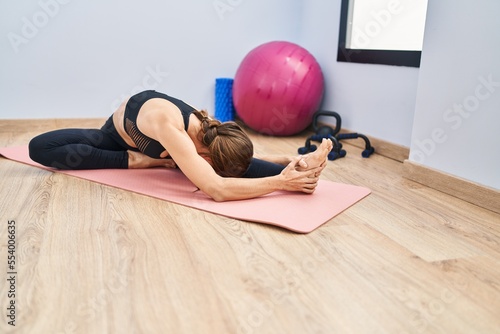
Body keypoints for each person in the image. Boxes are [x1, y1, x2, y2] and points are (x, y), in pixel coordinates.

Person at [29, 90, 333, 202]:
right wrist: (280, 182)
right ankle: (137, 161)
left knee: (232, 165)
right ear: (204, 152)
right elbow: (218, 189)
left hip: (180, 148)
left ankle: (302, 164)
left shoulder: (212, 131)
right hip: (114, 139)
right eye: (209, 161)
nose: (208, 163)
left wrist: (284, 162)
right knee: (40, 148)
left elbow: (229, 164)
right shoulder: (169, 125)